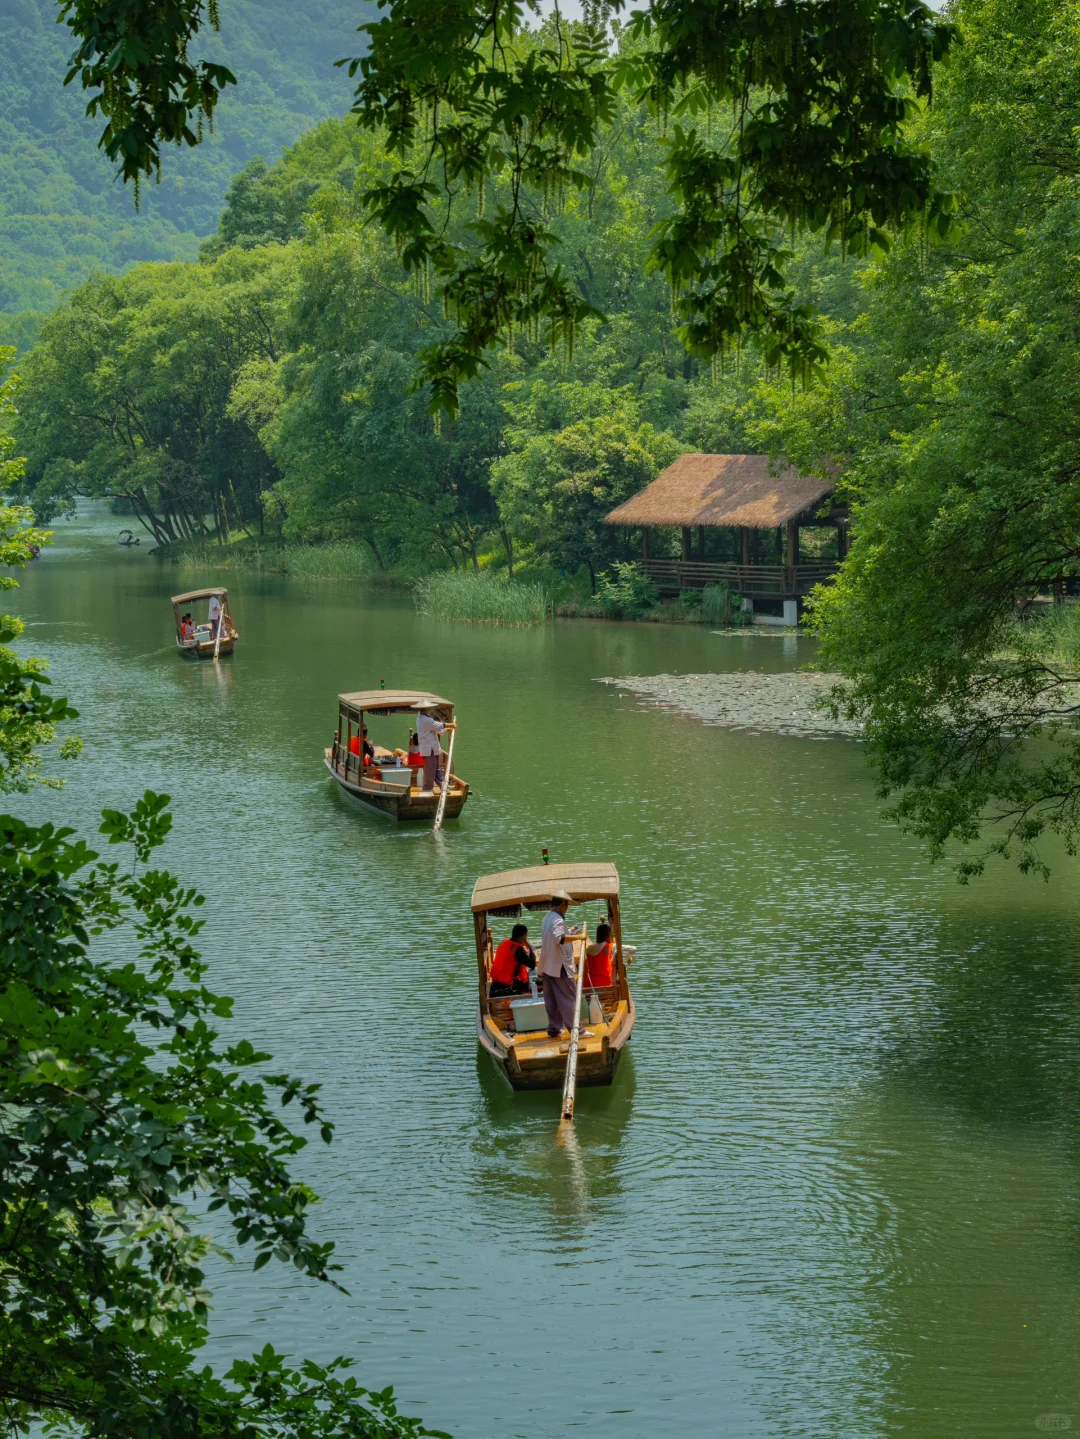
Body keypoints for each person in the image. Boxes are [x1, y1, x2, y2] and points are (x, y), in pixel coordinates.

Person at [538, 890, 590, 1038]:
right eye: (566, 904)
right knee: (569, 998)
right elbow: (558, 938)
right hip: (559, 966)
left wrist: (570, 931)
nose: (567, 908)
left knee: (552, 999)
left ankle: (554, 1028)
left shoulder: (547, 918)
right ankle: (577, 1030)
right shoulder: (558, 920)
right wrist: (580, 937)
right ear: (562, 904)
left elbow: (558, 935)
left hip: (548, 965)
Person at [413, 702, 456, 791]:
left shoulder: (425, 719)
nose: (431, 710)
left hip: (432, 748)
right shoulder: (424, 719)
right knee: (430, 772)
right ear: (426, 709)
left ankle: (443, 786)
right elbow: (438, 725)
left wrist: (446, 730)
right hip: (429, 749)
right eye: (430, 708)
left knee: (437, 770)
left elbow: (435, 729)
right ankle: (427, 789)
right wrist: (450, 725)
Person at [489, 923, 536, 996]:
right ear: (523, 937)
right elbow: (532, 964)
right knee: (531, 981)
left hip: (495, 980)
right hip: (506, 984)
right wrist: (530, 947)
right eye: (526, 936)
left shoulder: (503, 942)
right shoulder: (518, 949)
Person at [583, 922, 614, 989]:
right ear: (608, 935)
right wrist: (629, 955)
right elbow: (633, 949)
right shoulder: (611, 946)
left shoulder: (589, 948)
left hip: (589, 985)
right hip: (605, 985)